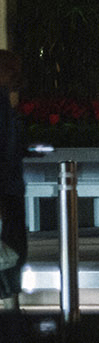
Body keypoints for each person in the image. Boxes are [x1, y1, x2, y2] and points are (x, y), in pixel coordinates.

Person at [0, 50, 24, 308]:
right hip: (8, 189)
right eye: (10, 69)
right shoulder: (1, 102)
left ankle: (10, 306)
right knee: (12, 249)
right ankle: (9, 308)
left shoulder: (5, 100)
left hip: (10, 188)